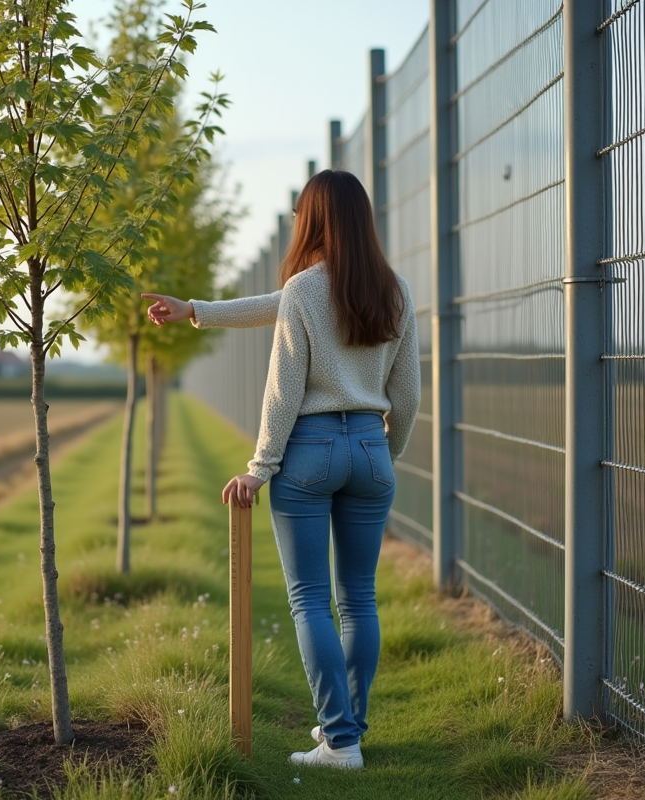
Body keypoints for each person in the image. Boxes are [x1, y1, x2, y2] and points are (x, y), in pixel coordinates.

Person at [141, 169, 420, 770]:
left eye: (299, 214)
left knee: (311, 600)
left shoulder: (304, 291)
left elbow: (282, 393)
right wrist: (382, 458)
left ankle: (340, 742)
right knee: (360, 599)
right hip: (372, 449)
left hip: (311, 452)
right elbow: (411, 395)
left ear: (315, 220)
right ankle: (349, 734)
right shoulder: (393, 291)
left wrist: (260, 467)